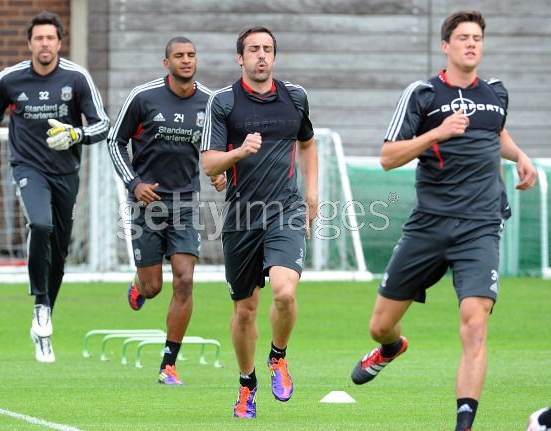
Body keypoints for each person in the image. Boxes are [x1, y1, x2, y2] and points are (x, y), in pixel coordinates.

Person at [350, 10, 537, 431]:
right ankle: (391, 348)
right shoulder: (423, 94)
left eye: (477, 38)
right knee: (380, 325)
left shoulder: (496, 93)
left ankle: (464, 425)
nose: (471, 44)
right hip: (429, 226)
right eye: (463, 38)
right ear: (445, 46)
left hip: (480, 226)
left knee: (475, 324)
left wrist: (520, 155)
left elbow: (496, 133)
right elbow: (387, 158)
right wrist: (437, 132)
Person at [0, 10, 109, 363]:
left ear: (59, 43)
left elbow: (102, 124)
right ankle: (40, 305)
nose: (44, 44)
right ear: (30, 43)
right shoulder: (10, 78)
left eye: (50, 38)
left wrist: (76, 134)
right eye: (38, 38)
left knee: (59, 254)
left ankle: (44, 321)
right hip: (27, 167)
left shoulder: (77, 78)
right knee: (40, 224)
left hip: (66, 172)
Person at [200, 26, 318, 418]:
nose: (261, 55)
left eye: (267, 49)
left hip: (286, 210)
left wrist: (312, 193)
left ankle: (278, 357)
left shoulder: (295, 97)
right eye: (253, 49)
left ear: (274, 56)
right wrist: (239, 152)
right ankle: (246, 384)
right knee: (245, 311)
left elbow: (307, 144)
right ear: (240, 57)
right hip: (241, 217)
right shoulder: (223, 102)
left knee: (285, 292)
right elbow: (209, 163)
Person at [107, 36, 225, 385]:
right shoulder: (143, 97)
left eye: (191, 55)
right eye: (179, 55)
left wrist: (221, 172)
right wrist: (134, 184)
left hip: (186, 202)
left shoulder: (210, 102)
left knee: (185, 280)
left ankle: (169, 364)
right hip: (147, 202)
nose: (186, 60)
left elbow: (221, 147)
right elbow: (115, 141)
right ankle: (139, 284)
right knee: (153, 287)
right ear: (166, 63)